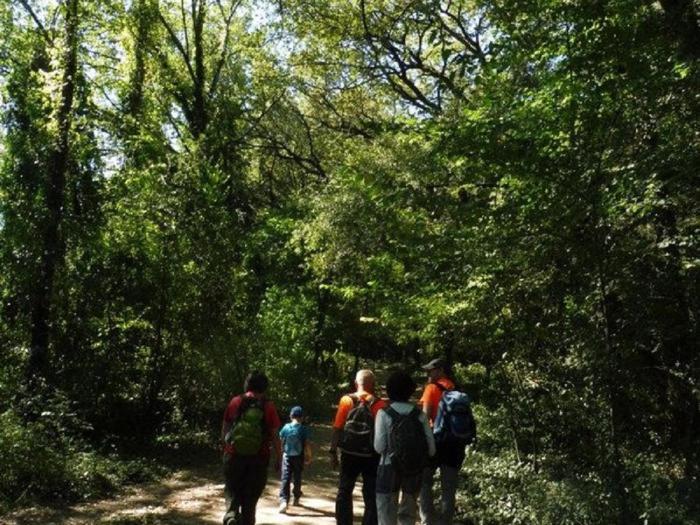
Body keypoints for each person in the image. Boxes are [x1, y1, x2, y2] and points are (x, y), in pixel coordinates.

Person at [374, 370, 436, 525]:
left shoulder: (384, 414)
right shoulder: (419, 415)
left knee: (386, 513)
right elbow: (431, 450)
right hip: (414, 469)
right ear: (410, 391)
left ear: (389, 390)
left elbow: (379, 447)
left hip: (388, 467)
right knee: (408, 515)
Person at [221, 371, 282, 525]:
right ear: (264, 387)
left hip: (234, 456)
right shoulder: (268, 406)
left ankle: (231, 515)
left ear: (247, 384)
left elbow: (225, 429)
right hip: (258, 459)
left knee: (232, 491)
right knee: (250, 503)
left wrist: (227, 449)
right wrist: (279, 458)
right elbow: (275, 436)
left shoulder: (235, 401)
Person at [330, 369, 387, 525]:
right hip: (371, 455)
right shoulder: (381, 405)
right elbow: (383, 434)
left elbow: (337, 428)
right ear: (373, 385)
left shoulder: (346, 400)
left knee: (344, 490)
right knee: (371, 494)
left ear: (356, 383)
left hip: (349, 453)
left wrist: (333, 451)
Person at [418, 358, 466, 525]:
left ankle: (427, 521)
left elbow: (425, 418)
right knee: (449, 488)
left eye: (430, 370)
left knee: (424, 481)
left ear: (440, 370)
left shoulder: (431, 388)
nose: (428, 373)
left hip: (435, 440)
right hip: (454, 444)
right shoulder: (456, 388)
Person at [278, 405, 313, 513]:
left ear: (291, 416)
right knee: (297, 477)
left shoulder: (286, 427)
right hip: (299, 457)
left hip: (287, 456)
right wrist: (308, 456)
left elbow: (281, 441)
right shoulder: (303, 429)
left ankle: (284, 501)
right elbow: (307, 444)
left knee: (285, 477)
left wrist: (280, 454)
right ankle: (296, 497)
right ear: (302, 417)